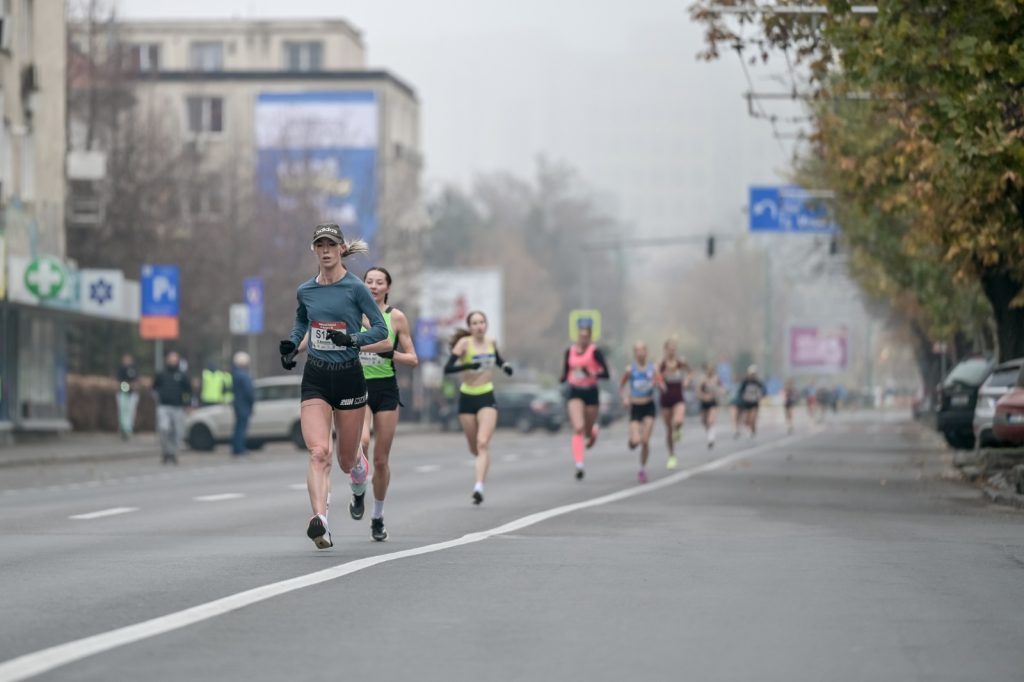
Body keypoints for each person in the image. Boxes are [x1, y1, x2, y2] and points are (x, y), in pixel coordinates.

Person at [279, 223, 390, 550]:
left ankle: (359, 476)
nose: (325, 250)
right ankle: (320, 521)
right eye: (319, 245)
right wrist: (293, 343)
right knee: (318, 452)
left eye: (331, 245)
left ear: (341, 249)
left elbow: (381, 330)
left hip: (348, 377)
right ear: (313, 250)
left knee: (345, 461)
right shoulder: (305, 290)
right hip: (316, 375)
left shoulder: (355, 288)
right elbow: (303, 321)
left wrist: (353, 339)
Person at [346, 266, 418, 542]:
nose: (374, 286)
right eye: (369, 282)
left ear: (388, 287)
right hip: (358, 385)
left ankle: (377, 517)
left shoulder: (396, 317)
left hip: (386, 390)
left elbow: (413, 358)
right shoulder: (353, 311)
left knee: (381, 459)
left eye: (379, 282)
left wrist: (391, 353)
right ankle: (358, 491)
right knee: (361, 441)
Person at [444, 310, 513, 505]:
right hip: (467, 398)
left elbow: (497, 359)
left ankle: (478, 487)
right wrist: (468, 367)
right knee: (474, 447)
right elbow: (447, 369)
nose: (479, 326)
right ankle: (480, 466)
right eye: (474, 323)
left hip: (486, 396)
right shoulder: (464, 344)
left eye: (482, 322)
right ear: (470, 327)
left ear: (486, 324)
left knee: (483, 443)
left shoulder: (491, 342)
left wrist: (505, 366)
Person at [559, 317, 610, 480]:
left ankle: (593, 431)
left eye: (586, 336)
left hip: (591, 392)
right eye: (581, 336)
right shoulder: (570, 351)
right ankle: (579, 464)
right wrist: (562, 380)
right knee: (578, 427)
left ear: (590, 337)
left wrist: (591, 373)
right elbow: (566, 372)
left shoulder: (595, 351)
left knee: (587, 431)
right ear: (577, 336)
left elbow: (606, 373)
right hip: (575, 391)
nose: (583, 339)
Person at [619, 341, 665, 484]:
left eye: (643, 350)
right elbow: (621, 387)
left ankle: (642, 469)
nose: (640, 353)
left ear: (646, 352)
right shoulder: (630, 369)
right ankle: (632, 440)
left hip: (649, 406)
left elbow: (663, 386)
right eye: (637, 351)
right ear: (635, 353)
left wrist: (658, 383)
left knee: (645, 441)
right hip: (635, 407)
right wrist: (626, 398)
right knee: (636, 441)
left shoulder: (653, 368)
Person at [153, 350, 192, 465]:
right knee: (164, 429)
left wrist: (188, 404)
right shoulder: (161, 374)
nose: (173, 361)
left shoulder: (182, 375)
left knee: (177, 432)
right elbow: (154, 387)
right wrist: (158, 396)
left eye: (175, 359)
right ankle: (166, 452)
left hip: (178, 407)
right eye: (171, 358)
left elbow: (188, 391)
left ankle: (173, 453)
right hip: (164, 406)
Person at [658, 337, 689, 469]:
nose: (672, 351)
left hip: (678, 396)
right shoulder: (661, 363)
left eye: (674, 348)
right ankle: (671, 455)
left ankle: (679, 428)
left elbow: (690, 372)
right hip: (666, 398)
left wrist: (687, 380)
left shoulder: (680, 362)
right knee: (668, 429)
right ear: (665, 349)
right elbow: (655, 376)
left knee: (678, 420)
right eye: (669, 348)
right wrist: (661, 380)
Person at [230, 351, 255, 456]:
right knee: (241, 428)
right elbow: (249, 391)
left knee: (238, 427)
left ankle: (236, 447)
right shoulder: (243, 375)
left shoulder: (235, 374)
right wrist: (252, 402)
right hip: (244, 405)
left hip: (238, 404)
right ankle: (239, 449)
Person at [736, 365, 767, 438]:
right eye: (751, 374)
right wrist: (742, 398)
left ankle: (752, 428)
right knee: (747, 419)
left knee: (753, 417)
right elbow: (740, 391)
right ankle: (750, 428)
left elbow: (764, 390)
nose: (752, 376)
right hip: (746, 402)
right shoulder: (745, 382)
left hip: (754, 402)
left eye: (753, 374)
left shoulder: (757, 382)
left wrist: (761, 395)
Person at [697, 364, 722, 449]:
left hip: (713, 402)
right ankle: (709, 433)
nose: (710, 372)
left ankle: (711, 438)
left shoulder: (716, 379)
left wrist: (719, 393)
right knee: (704, 422)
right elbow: (698, 391)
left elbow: (721, 389)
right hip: (704, 402)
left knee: (711, 421)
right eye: (708, 370)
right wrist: (703, 397)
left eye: (712, 370)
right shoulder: (703, 380)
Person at [115, 353, 140, 440]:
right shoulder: (121, 369)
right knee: (122, 411)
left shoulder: (134, 369)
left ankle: (129, 429)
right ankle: (123, 428)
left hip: (132, 394)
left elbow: (136, 383)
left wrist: (129, 386)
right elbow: (119, 383)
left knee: (130, 412)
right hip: (123, 393)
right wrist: (128, 386)